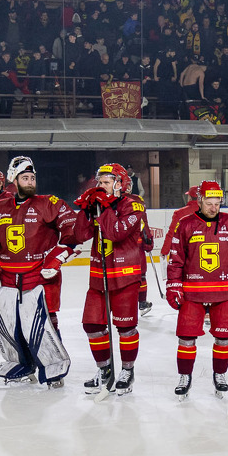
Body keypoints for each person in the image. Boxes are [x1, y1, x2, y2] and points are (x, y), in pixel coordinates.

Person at [0, 156, 79, 387]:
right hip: (7, 278)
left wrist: (60, 253)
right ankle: (21, 363)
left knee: (45, 323)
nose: (31, 181)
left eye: (32, 177)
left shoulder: (48, 203)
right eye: (25, 178)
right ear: (14, 180)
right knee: (10, 324)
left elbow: (71, 228)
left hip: (40, 275)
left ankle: (53, 369)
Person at [167, 180, 228, 399]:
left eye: (217, 203)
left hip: (224, 291)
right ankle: (185, 376)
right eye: (209, 203)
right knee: (186, 337)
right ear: (199, 200)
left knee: (223, 337)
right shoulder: (185, 223)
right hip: (192, 291)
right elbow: (176, 259)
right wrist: (174, 285)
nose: (214, 208)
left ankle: (219, 374)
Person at [72, 164, 150, 396]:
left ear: (120, 184)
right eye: (100, 182)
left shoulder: (133, 204)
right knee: (92, 325)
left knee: (125, 327)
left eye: (106, 182)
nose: (101, 186)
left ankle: (127, 371)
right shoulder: (98, 204)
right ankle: (104, 369)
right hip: (99, 276)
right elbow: (80, 235)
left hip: (125, 276)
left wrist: (104, 207)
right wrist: (85, 210)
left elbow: (116, 232)